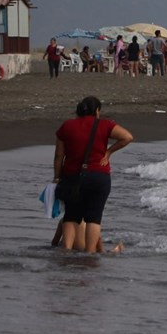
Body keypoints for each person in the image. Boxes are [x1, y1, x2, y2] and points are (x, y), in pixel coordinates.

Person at [52, 96, 133, 253]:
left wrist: (57, 177)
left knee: (70, 215)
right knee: (94, 218)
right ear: (97, 111)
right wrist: (108, 152)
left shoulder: (67, 126)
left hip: (72, 175)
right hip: (99, 176)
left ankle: (66, 250)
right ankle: (90, 254)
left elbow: (58, 156)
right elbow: (127, 137)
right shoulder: (105, 124)